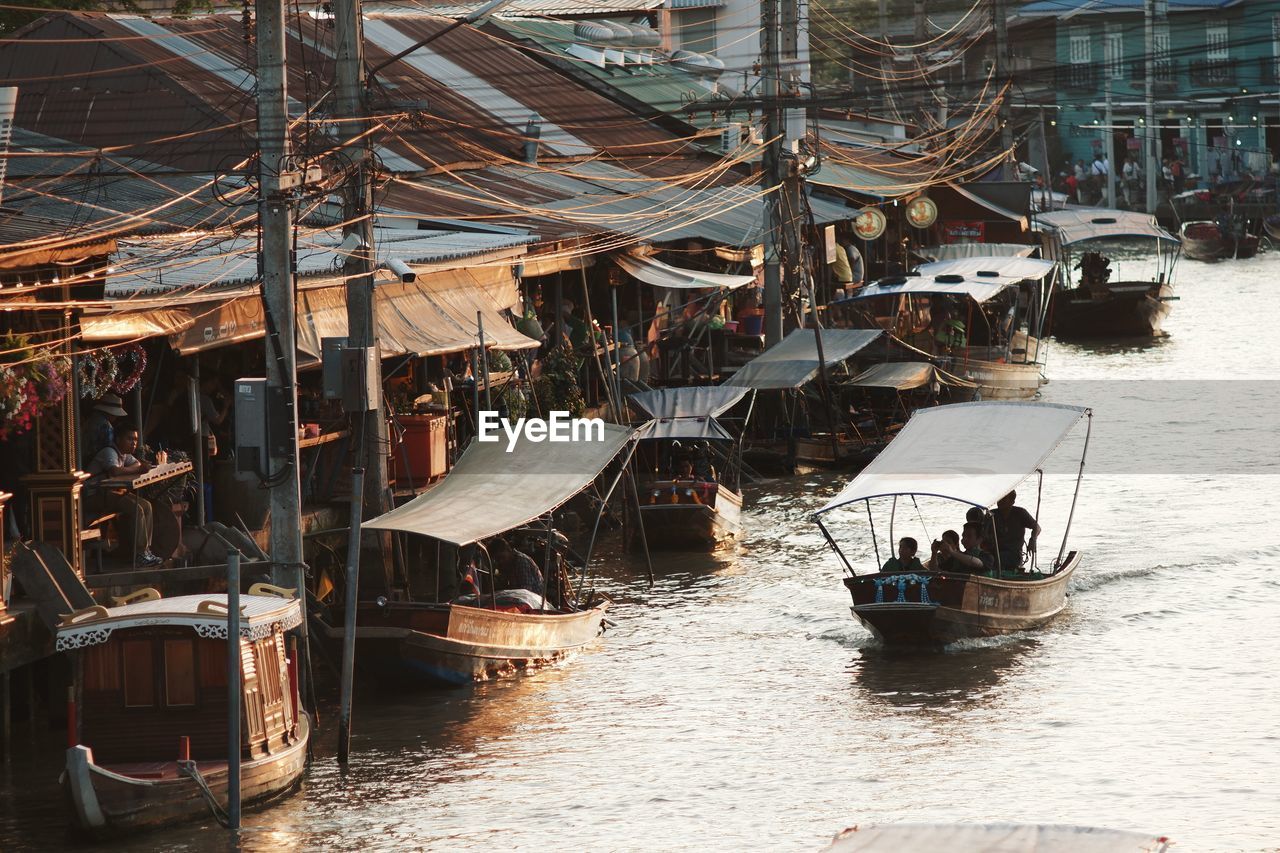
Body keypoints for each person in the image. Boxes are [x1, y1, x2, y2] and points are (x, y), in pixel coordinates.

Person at [86, 423, 163, 567]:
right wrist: (138, 469)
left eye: (135, 440)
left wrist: (137, 468)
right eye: (129, 439)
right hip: (94, 495)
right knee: (137, 509)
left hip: (110, 493)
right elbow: (115, 471)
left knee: (146, 506)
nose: (134, 443)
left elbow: (137, 464)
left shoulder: (125, 455)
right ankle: (139, 554)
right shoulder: (109, 452)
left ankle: (146, 551)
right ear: (118, 439)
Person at [990, 490, 1040, 573]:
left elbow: (1037, 527)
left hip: (1014, 554)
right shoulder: (992, 514)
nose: (1000, 501)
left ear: (1012, 501)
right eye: (999, 499)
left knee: (1002, 557)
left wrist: (1033, 539)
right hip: (994, 553)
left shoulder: (1020, 513)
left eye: (1004, 499)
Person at [83, 392, 128, 468]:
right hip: (97, 462)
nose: (116, 416)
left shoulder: (91, 420)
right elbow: (109, 448)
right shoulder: (105, 426)